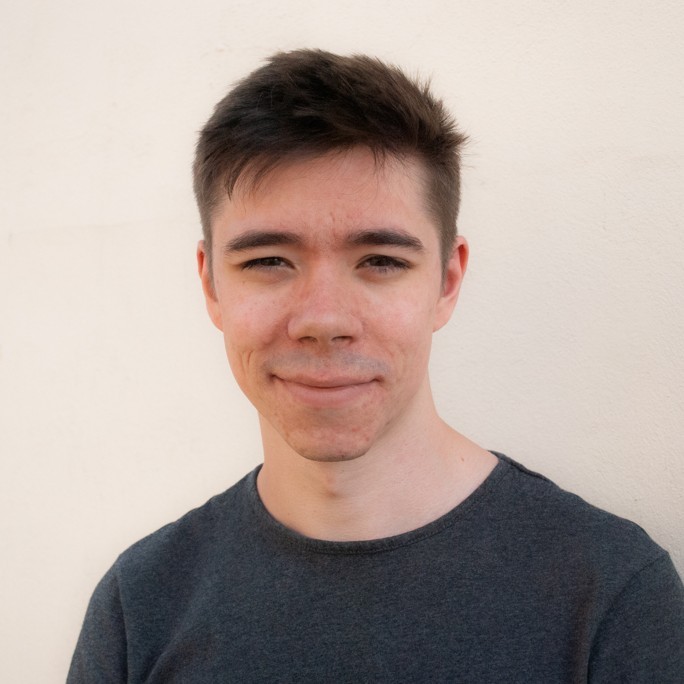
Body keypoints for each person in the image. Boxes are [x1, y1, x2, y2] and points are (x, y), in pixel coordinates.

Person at [68, 49, 684, 683]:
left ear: (447, 281)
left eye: (381, 261)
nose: (324, 319)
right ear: (211, 285)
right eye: (268, 261)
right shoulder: (140, 608)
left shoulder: (611, 599)